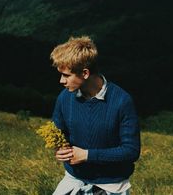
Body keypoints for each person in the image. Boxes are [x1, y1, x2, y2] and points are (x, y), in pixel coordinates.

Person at [49, 36, 140, 195]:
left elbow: (131, 151)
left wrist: (87, 155)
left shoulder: (121, 101)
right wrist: (59, 149)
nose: (61, 81)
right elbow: (58, 131)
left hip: (111, 185)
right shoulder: (64, 98)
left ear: (85, 73)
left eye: (66, 75)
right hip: (73, 179)